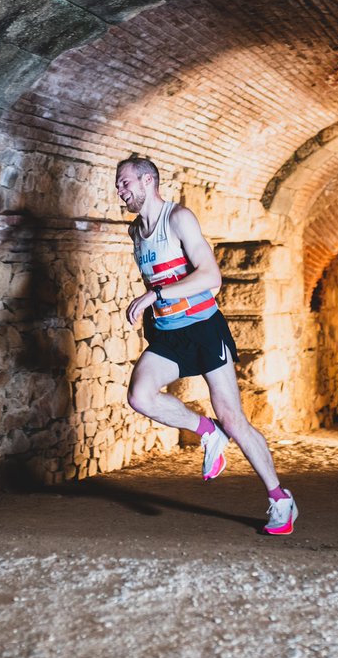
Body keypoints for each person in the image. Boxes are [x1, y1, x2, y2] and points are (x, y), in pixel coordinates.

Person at [114, 155, 298, 535]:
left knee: (234, 418)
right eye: (118, 184)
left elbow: (211, 276)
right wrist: (155, 303)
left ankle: (280, 499)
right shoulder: (136, 232)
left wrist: (154, 295)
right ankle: (207, 433)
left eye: (125, 182)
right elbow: (160, 283)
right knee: (140, 397)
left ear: (148, 181)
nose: (120, 190)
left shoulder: (178, 218)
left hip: (204, 329)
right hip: (168, 334)